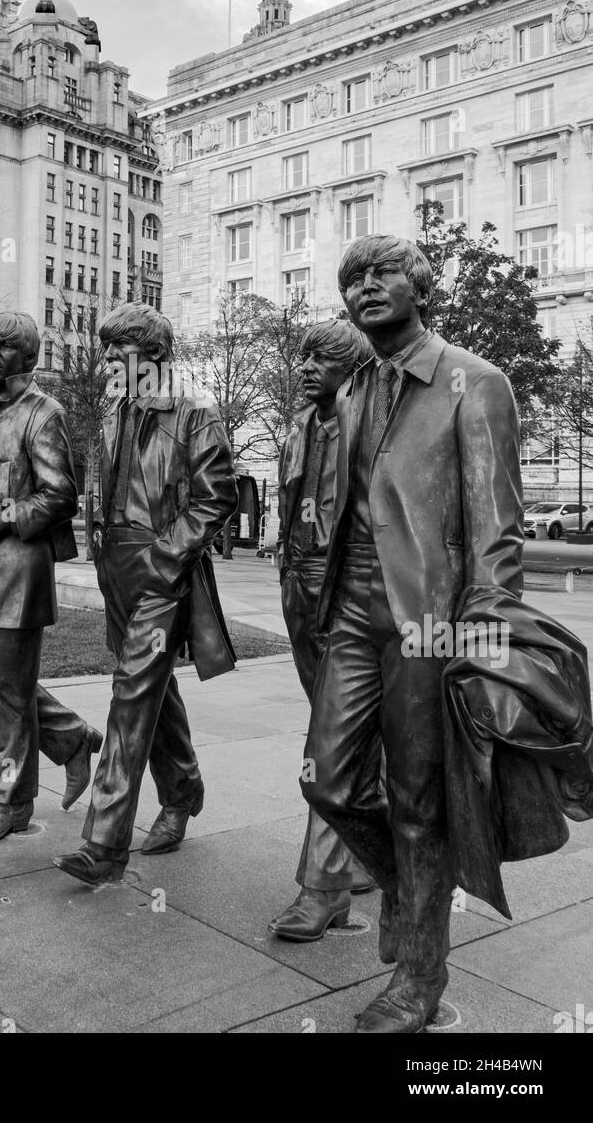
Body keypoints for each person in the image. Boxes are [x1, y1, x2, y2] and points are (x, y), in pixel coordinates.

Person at [303, 234, 525, 1033]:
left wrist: (487, 632)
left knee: (419, 800)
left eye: (381, 273)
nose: (364, 286)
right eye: (351, 277)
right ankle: (401, 880)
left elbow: (497, 527)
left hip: (428, 620)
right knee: (325, 780)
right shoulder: (356, 388)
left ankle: (420, 980)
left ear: (420, 286)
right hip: (354, 611)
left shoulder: (475, 381)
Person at [54, 304, 239, 885]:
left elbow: (216, 496)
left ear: (152, 354)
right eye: (106, 349)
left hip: (163, 571)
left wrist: (166, 558)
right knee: (153, 689)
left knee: (130, 695)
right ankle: (183, 791)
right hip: (117, 571)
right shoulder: (113, 411)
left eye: (118, 349)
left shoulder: (194, 410)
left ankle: (105, 844)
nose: (107, 359)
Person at [0, 309, 101, 844]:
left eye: (6, 346)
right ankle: (72, 738)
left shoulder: (41, 411)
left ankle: (8, 803)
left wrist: (5, 516)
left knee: (8, 693)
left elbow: (60, 494)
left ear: (27, 358)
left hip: (14, 569)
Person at [268, 317, 376, 944]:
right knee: (345, 732)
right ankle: (370, 847)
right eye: (303, 358)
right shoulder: (299, 429)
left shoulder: (375, 431)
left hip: (354, 593)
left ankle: (325, 884)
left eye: (320, 359)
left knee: (329, 741)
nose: (305, 368)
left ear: (352, 368)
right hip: (300, 588)